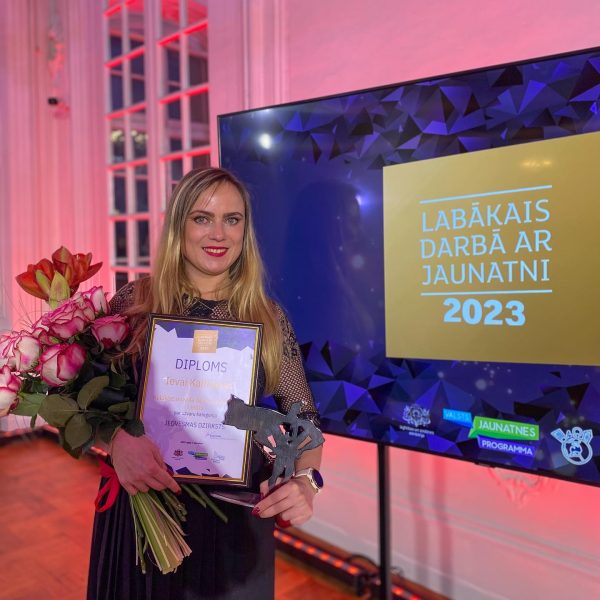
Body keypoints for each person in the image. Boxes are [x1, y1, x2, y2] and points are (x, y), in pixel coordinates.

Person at [87, 167, 323, 600]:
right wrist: (116, 442)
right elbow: (84, 403)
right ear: (179, 225)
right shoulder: (134, 303)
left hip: (234, 522)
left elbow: (305, 418)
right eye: (202, 218)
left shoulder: (267, 317)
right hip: (142, 507)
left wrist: (306, 481)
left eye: (232, 219)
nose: (219, 234)